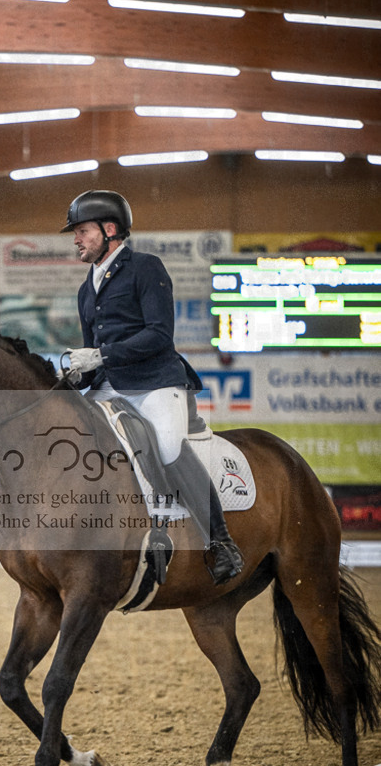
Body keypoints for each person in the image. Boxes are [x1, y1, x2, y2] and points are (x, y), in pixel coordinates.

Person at [62, 189, 243, 585]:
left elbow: (159, 336)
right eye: (75, 233)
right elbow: (94, 352)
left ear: (110, 230)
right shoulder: (85, 288)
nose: (76, 239)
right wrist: (80, 372)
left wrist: (102, 356)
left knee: (166, 445)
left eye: (82, 231)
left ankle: (220, 542)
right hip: (109, 386)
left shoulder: (146, 268)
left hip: (156, 382)